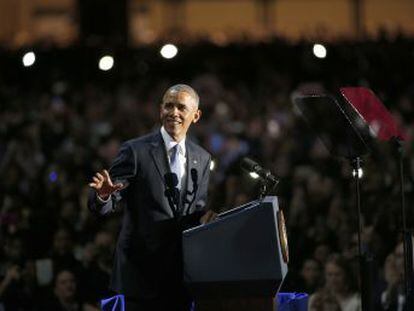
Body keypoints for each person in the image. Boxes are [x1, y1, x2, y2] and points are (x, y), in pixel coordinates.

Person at [88, 84, 215, 310]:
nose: (173, 112)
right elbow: (104, 205)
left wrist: (206, 221)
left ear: (196, 116)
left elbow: (197, 210)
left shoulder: (202, 158)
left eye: (181, 108)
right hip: (140, 276)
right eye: (168, 106)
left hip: (180, 278)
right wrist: (104, 197)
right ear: (160, 110)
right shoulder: (136, 151)